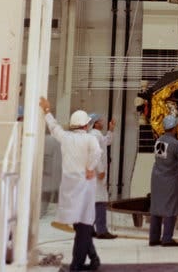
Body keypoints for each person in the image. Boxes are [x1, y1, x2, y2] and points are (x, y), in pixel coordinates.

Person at [39, 97, 102, 272]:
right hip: (85, 185)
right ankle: (81, 264)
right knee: (83, 225)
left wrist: (46, 111)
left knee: (80, 224)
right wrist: (90, 168)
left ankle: (84, 263)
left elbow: (54, 127)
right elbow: (97, 153)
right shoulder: (90, 140)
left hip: (69, 186)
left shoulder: (66, 137)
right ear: (86, 125)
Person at [149, 114, 178, 247]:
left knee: (156, 207)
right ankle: (167, 238)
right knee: (170, 207)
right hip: (169, 179)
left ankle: (153, 238)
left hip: (157, 177)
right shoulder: (175, 144)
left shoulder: (158, 141)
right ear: (174, 127)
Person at [88, 113, 117, 239]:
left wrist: (111, 129)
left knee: (95, 200)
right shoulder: (94, 135)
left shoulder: (97, 135)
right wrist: (100, 170)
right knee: (100, 201)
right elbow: (95, 154)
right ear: (95, 123)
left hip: (96, 174)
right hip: (97, 174)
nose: (102, 122)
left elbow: (107, 141)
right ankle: (101, 230)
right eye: (100, 120)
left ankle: (90, 229)